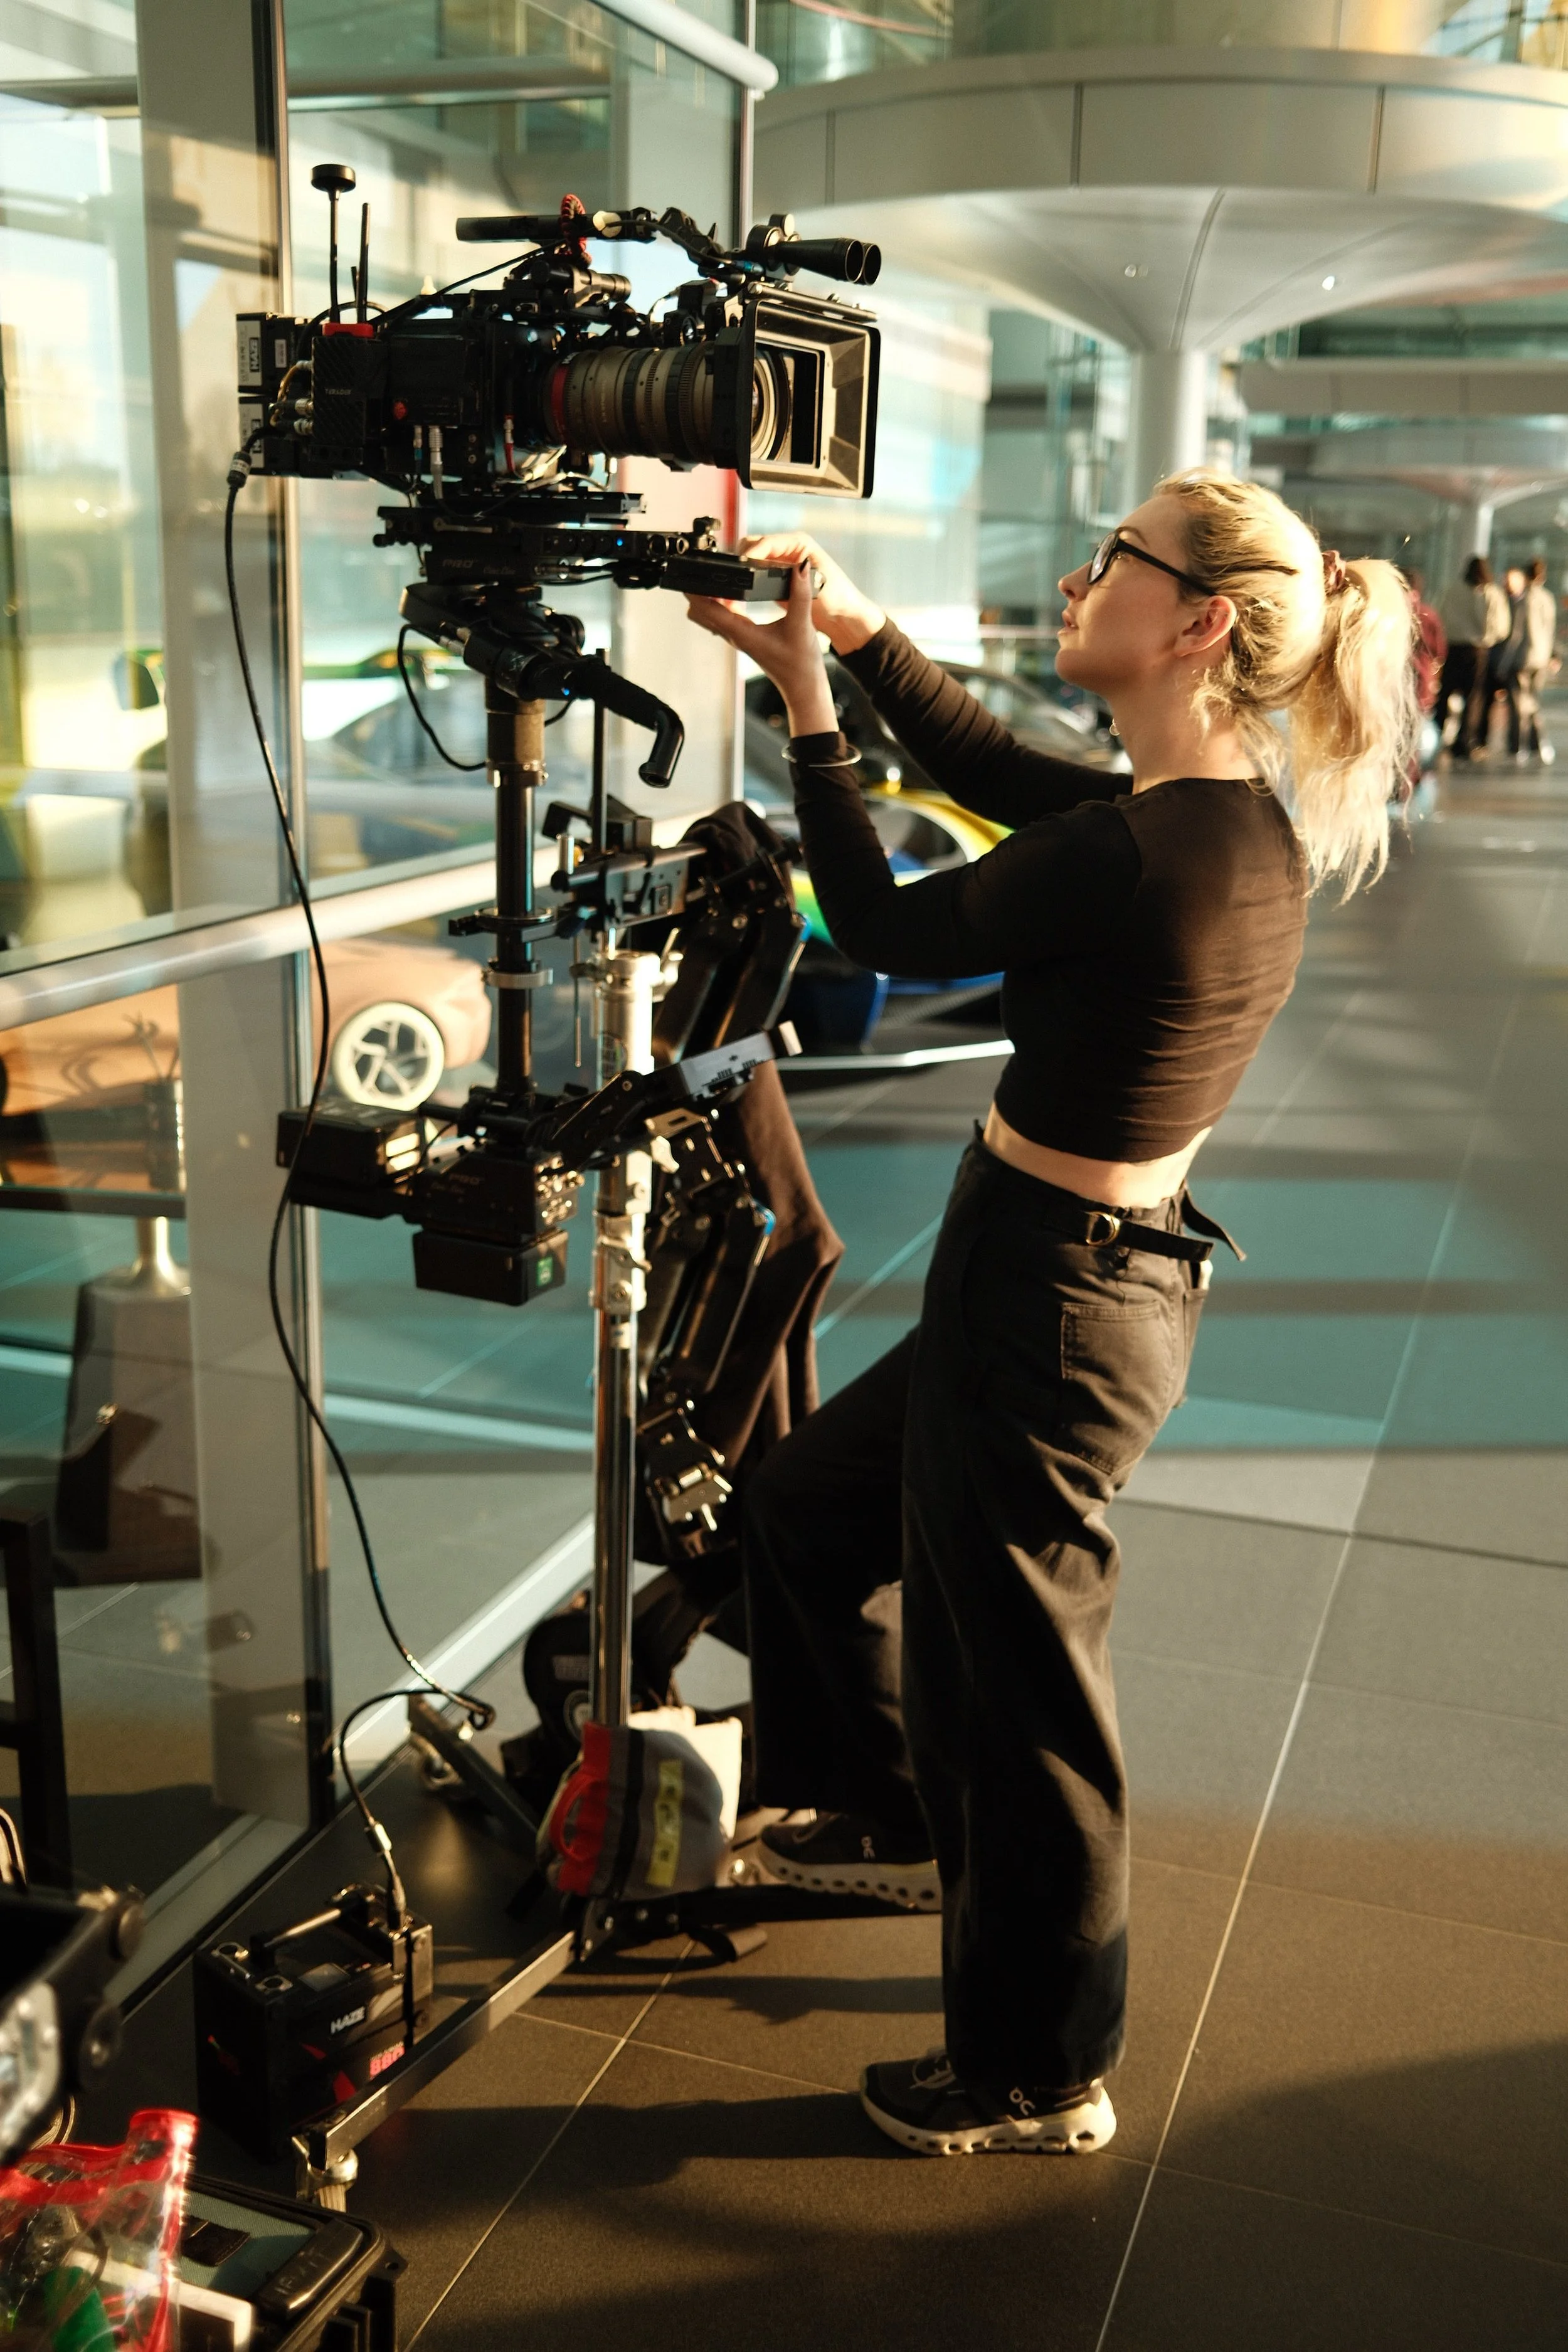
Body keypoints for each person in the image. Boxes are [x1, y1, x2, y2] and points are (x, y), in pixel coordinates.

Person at [686, 470, 1416, 2159]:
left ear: (1196, 621)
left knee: (1016, 1694)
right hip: (1060, 1277)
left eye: (1113, 558)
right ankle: (896, 1816)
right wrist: (856, 630)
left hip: (1053, 1299)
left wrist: (807, 708)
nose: (1080, 576)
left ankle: (1038, 2068)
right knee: (806, 1508)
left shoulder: (1140, 847)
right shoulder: (1205, 813)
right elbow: (1004, 772)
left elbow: (874, 923)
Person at [1436, 555, 1508, 758]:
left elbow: (1440, 615)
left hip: (1453, 648)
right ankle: (1465, 741)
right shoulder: (1491, 593)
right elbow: (1501, 628)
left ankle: (1437, 735)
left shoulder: (1452, 590)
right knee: (1473, 698)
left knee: (1445, 694)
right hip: (1477, 651)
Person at [1519, 557, 1558, 765]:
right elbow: (1550, 630)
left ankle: (1526, 742)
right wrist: (1552, 654)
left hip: (1524, 657)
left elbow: (1519, 632)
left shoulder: (1524, 599)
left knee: (1523, 702)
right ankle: (1537, 742)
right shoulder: (1548, 599)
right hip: (1541, 657)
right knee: (1533, 700)